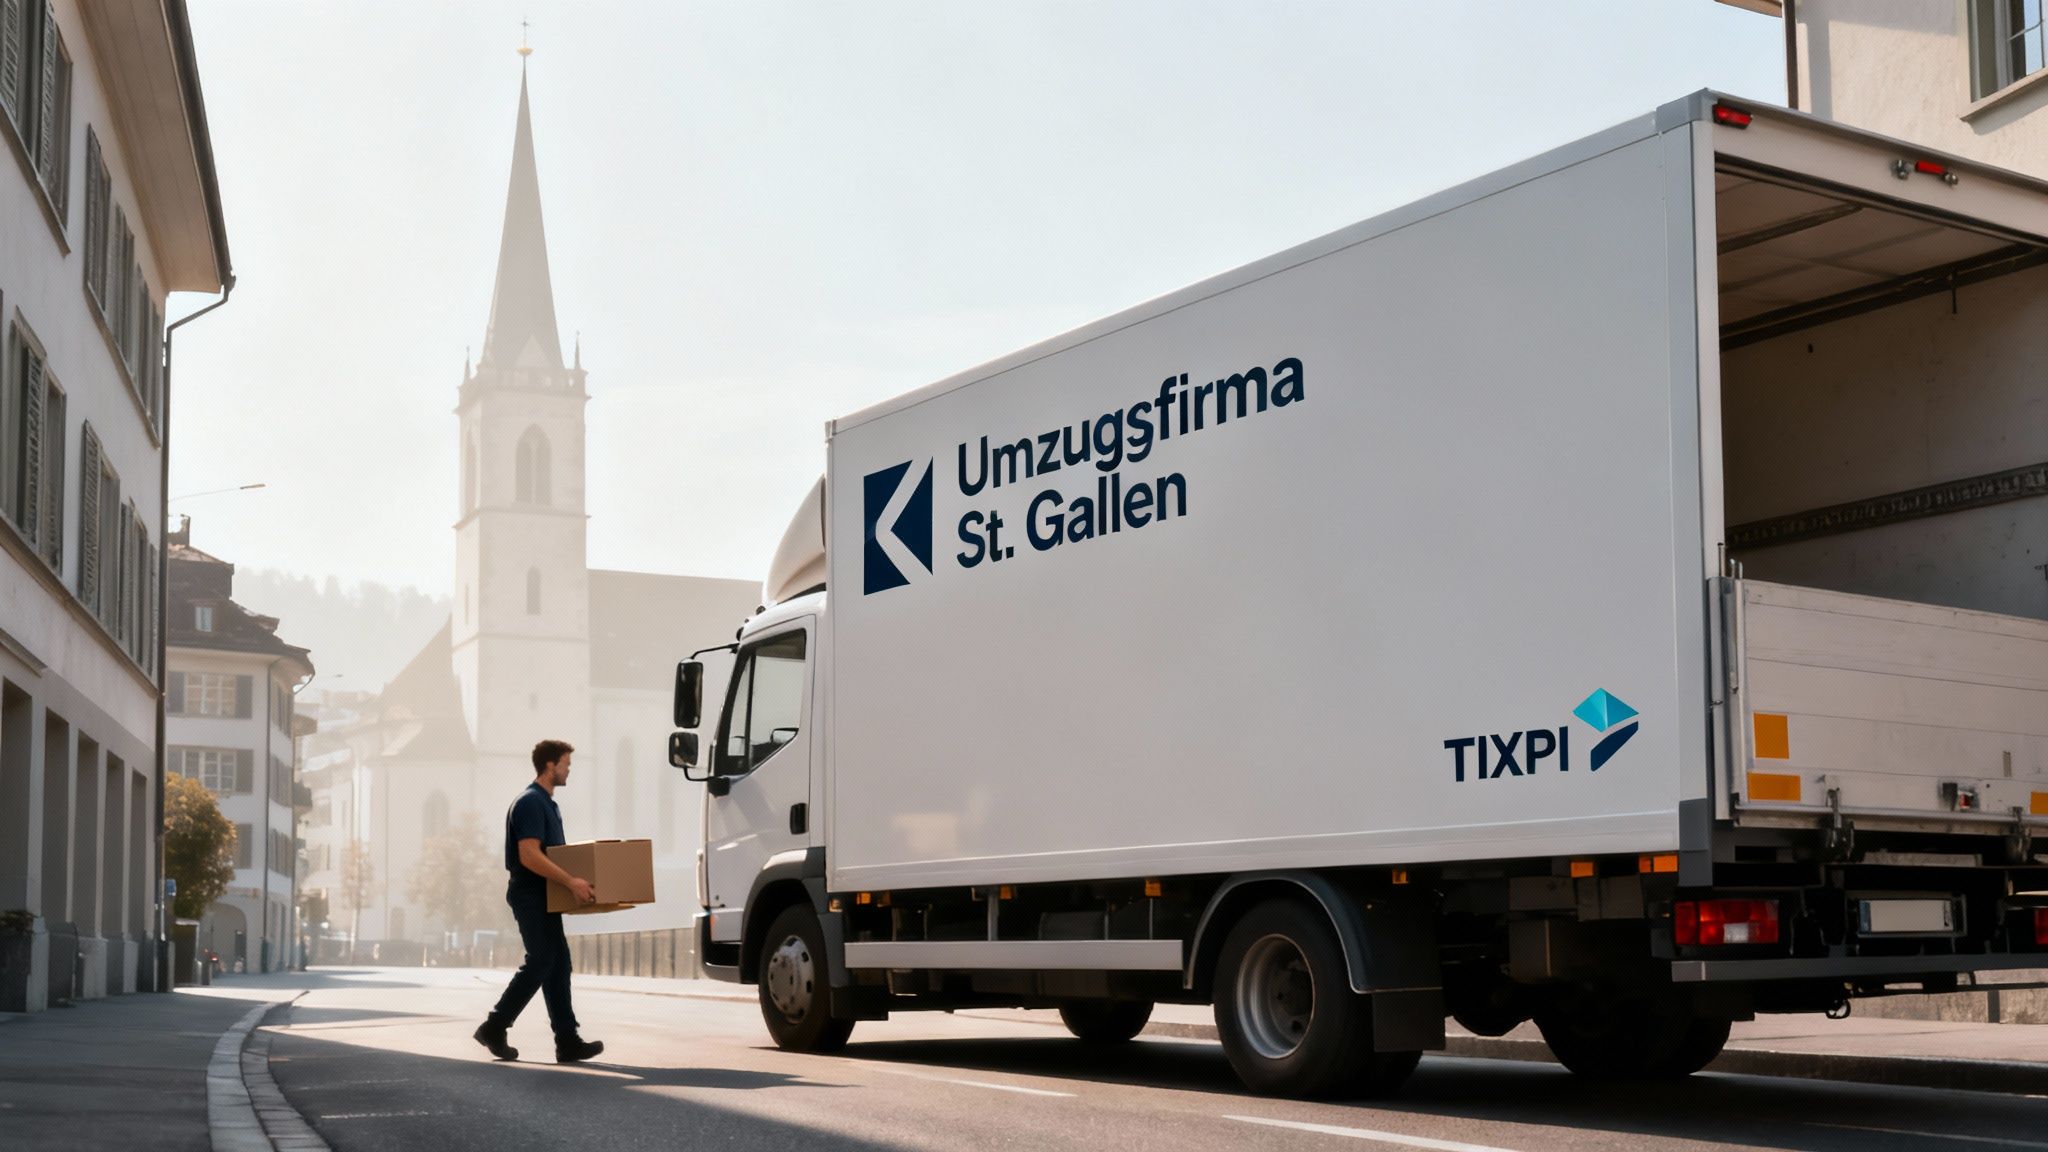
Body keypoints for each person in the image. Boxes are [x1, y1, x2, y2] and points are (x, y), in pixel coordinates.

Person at [473, 739, 605, 1063]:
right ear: (550, 765)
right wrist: (571, 881)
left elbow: (552, 855)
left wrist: (576, 881)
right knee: (542, 959)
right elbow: (529, 855)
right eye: (566, 763)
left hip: (545, 895)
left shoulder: (548, 804)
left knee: (559, 964)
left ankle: (567, 1041)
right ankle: (495, 1026)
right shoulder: (530, 802)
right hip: (530, 893)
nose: (568, 769)